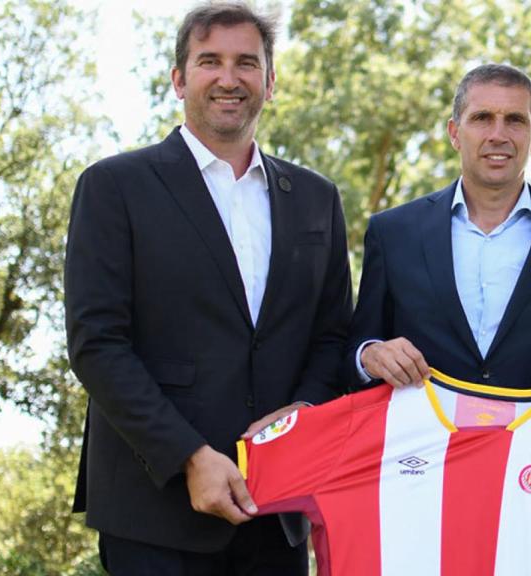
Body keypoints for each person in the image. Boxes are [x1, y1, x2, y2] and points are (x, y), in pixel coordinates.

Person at [64, 2, 352, 573]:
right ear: (179, 79)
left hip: (278, 514)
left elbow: (333, 335)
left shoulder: (318, 198)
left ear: (270, 82)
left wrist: (306, 410)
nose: (229, 77)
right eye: (209, 61)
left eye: (247, 63)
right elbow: (97, 343)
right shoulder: (113, 186)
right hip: (154, 512)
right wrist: (190, 456)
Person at [348, 63, 531, 404]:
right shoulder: (393, 233)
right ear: (454, 132)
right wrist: (368, 355)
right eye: (482, 118)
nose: (498, 134)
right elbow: (356, 350)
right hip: (420, 450)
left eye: (515, 120)